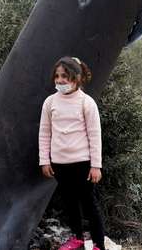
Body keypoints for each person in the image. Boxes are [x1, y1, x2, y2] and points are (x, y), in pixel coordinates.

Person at [39, 56, 106, 250]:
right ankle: (77, 239)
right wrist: (45, 160)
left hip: (83, 164)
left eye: (65, 77)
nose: (60, 80)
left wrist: (96, 165)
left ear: (76, 78)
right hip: (59, 163)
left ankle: (98, 244)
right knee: (69, 203)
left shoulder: (86, 103)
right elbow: (44, 133)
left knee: (89, 204)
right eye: (57, 76)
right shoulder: (50, 102)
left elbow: (95, 135)